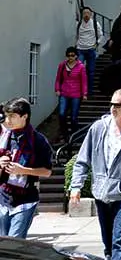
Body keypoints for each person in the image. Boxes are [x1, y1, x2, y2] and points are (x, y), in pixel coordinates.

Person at [69, 89, 121, 260]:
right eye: (112, 104)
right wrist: (76, 186)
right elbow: (83, 158)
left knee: (120, 241)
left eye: (119, 105)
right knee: (108, 242)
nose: (113, 109)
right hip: (101, 192)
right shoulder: (99, 128)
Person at [0, 98, 52, 239]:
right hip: (3, 196)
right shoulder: (4, 136)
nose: (8, 120)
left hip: (25, 199)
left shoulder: (38, 140)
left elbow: (47, 171)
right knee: (3, 245)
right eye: (7, 116)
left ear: (24, 116)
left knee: (14, 242)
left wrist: (23, 170)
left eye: (12, 116)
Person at [55, 47, 88, 142]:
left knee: (74, 116)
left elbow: (84, 81)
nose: (70, 57)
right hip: (64, 92)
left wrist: (84, 93)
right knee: (61, 114)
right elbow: (58, 78)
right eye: (68, 55)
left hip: (76, 94)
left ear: (76, 56)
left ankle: (74, 134)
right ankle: (64, 133)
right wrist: (57, 89)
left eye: (72, 55)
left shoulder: (81, 67)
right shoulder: (62, 65)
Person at [74, 7, 102, 95]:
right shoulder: (78, 24)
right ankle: (80, 89)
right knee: (79, 70)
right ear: (82, 14)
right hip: (80, 49)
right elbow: (76, 35)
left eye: (88, 13)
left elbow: (101, 35)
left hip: (91, 49)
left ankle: (89, 90)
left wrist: (96, 43)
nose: (86, 15)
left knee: (91, 71)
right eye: (84, 13)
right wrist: (76, 45)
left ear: (91, 14)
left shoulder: (95, 24)